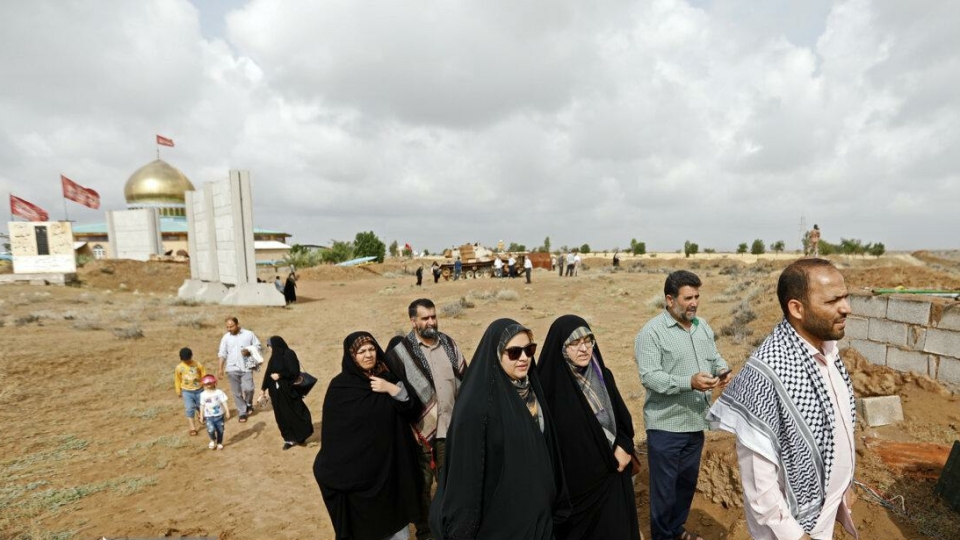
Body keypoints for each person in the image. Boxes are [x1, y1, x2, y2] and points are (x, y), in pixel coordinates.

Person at [708, 259, 857, 540]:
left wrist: (844, 487)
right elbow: (759, 484)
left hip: (822, 516)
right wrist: (796, 536)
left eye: (846, 297)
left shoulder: (830, 353)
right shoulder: (765, 376)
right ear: (797, 308)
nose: (846, 308)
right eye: (833, 300)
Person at [430, 318, 569, 540]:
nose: (524, 358)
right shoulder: (477, 406)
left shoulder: (532, 392)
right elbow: (467, 476)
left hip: (539, 514)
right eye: (514, 352)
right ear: (496, 354)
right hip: (501, 522)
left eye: (529, 350)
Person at [635, 270, 730, 540]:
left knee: (685, 486)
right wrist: (688, 382)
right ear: (669, 300)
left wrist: (722, 369)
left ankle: (676, 530)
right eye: (688, 298)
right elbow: (650, 377)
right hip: (666, 425)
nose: (694, 303)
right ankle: (663, 536)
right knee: (664, 491)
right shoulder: (651, 333)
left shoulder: (702, 327)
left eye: (697, 297)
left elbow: (713, 356)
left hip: (696, 421)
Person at [538, 315, 641, 540]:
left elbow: (624, 421)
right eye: (575, 343)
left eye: (588, 341)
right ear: (561, 348)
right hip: (578, 495)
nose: (584, 349)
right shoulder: (548, 391)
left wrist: (624, 446)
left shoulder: (604, 376)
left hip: (614, 478)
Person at [314, 332, 422, 540]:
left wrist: (390, 388)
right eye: (361, 351)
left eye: (371, 349)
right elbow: (335, 434)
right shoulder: (340, 387)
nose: (368, 355)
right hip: (360, 475)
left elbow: (411, 409)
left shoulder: (389, 376)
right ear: (351, 356)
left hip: (391, 469)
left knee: (397, 524)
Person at [385, 299, 467, 540]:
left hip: (452, 429)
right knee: (422, 488)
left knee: (451, 484)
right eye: (425, 318)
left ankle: (449, 527)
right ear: (413, 321)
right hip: (419, 433)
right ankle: (426, 532)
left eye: (433, 316)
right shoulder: (399, 355)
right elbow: (395, 397)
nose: (431, 322)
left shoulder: (450, 345)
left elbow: (466, 379)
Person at [259, 336, 314, 450]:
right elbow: (268, 373)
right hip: (276, 393)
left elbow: (294, 371)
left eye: (270, 346)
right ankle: (288, 439)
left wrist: (280, 375)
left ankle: (301, 435)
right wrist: (263, 388)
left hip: (289, 390)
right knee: (281, 416)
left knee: (296, 412)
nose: (270, 349)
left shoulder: (289, 354)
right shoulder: (274, 357)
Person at [217, 317, 262, 423]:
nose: (229, 329)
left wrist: (249, 351)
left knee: (249, 389)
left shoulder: (249, 334)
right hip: (232, 367)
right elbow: (222, 354)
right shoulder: (226, 338)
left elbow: (258, 346)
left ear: (237, 324)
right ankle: (242, 412)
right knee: (236, 392)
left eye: (231, 326)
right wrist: (220, 368)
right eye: (227, 327)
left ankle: (248, 404)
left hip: (247, 366)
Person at [174, 347, 205, 436]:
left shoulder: (197, 364)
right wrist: (178, 390)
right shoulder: (179, 367)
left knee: (201, 405)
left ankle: (201, 415)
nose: (187, 362)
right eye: (185, 360)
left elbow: (203, 375)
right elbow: (177, 379)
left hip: (199, 390)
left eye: (188, 360)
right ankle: (192, 427)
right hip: (187, 391)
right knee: (189, 408)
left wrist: (206, 385)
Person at [199, 374, 230, 450]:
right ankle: (212, 440)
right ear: (203, 384)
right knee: (211, 429)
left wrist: (227, 411)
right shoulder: (203, 394)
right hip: (209, 416)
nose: (208, 385)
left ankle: (219, 443)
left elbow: (224, 402)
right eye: (206, 384)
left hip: (219, 416)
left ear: (214, 383)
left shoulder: (219, 392)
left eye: (210, 383)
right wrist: (201, 415)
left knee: (220, 430)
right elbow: (202, 405)